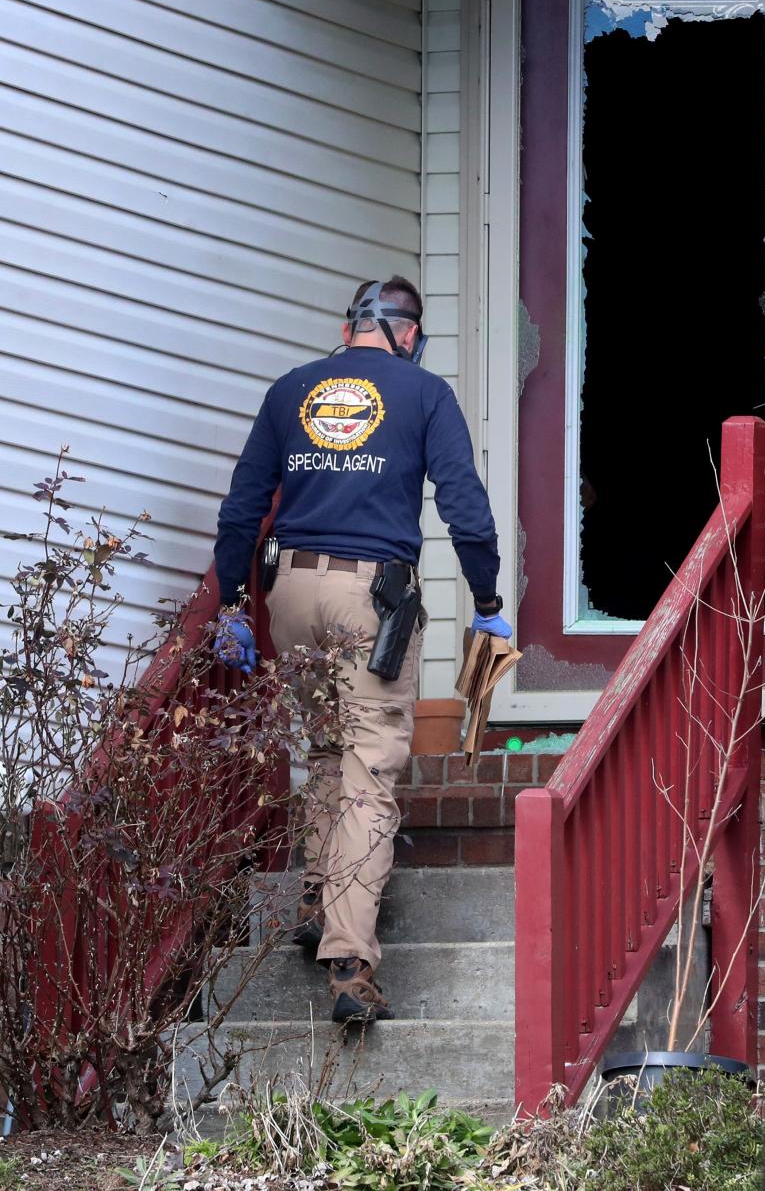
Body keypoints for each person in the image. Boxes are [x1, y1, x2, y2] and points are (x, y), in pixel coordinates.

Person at [211, 277, 510, 1024]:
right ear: (408, 335)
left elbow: (244, 504)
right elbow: (464, 504)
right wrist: (488, 600)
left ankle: (315, 892)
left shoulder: (291, 391)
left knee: (322, 748)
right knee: (371, 766)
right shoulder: (421, 393)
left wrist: (230, 606)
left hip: (291, 592)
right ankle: (348, 961)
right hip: (369, 599)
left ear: (349, 329)